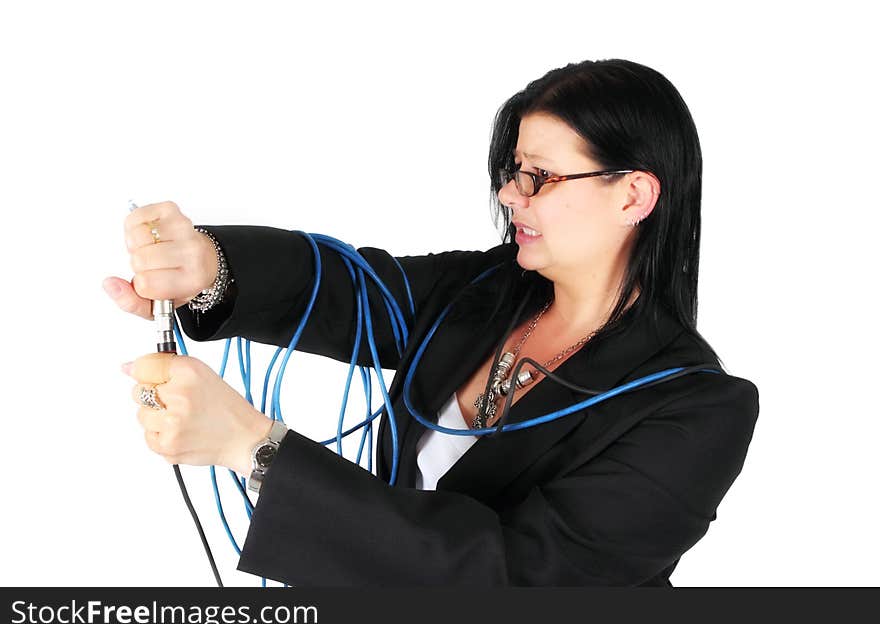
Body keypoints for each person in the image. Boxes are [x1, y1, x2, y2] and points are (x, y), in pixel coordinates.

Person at [104, 58, 760, 586]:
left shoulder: (697, 410)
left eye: (539, 176)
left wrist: (257, 446)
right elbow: (345, 289)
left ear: (633, 195)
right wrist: (207, 266)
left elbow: (518, 579)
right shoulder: (489, 287)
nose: (509, 194)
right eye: (512, 172)